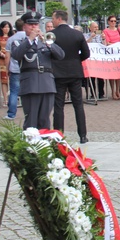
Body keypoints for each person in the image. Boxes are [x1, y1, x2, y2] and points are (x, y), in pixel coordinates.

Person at [11, 11, 65, 130]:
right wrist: (30, 39)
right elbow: (16, 55)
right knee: (31, 120)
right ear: (24, 26)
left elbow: (61, 55)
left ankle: (44, 145)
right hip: (30, 84)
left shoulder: (46, 42)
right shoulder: (18, 43)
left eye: (36, 24)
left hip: (47, 83)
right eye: (30, 25)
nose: (34, 27)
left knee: (44, 120)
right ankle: (30, 146)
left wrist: (48, 43)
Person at [51, 10, 90, 144]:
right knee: (78, 104)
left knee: (58, 106)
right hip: (75, 72)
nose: (52, 22)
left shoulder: (52, 35)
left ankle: (58, 135)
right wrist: (76, 60)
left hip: (58, 73)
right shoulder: (77, 34)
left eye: (53, 19)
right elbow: (86, 53)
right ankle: (83, 135)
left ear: (59, 18)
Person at [3, 19, 26, 120]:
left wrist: (7, 68)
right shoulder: (29, 37)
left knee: (13, 92)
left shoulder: (11, 39)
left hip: (15, 68)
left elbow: (7, 56)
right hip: (27, 68)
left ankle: (11, 114)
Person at [102, 15, 120, 99]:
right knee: (112, 74)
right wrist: (116, 44)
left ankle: (118, 91)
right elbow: (108, 42)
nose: (113, 23)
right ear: (108, 22)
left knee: (119, 74)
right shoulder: (106, 31)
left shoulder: (118, 30)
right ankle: (112, 91)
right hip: (111, 54)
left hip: (118, 54)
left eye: (115, 21)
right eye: (112, 21)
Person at [0, 21, 13, 107]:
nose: (6, 29)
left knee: (13, 79)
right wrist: (2, 54)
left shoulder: (12, 36)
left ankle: (12, 98)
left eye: (8, 27)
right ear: (1, 28)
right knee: (4, 81)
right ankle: (5, 99)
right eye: (5, 27)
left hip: (11, 59)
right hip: (2, 59)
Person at [85, 21, 105, 99]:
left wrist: (104, 39)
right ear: (90, 28)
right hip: (91, 59)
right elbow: (85, 44)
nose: (96, 29)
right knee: (92, 78)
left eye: (97, 27)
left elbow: (104, 46)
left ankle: (101, 93)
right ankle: (93, 93)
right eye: (94, 27)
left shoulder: (100, 35)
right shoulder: (86, 35)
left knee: (101, 77)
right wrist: (91, 37)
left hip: (99, 59)